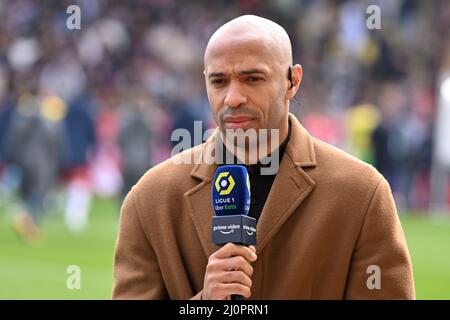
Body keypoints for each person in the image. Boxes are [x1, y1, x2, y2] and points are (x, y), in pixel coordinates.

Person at [113, 15, 415, 300]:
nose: (233, 98)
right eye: (219, 82)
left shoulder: (361, 194)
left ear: (292, 81)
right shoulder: (150, 200)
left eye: (252, 78)